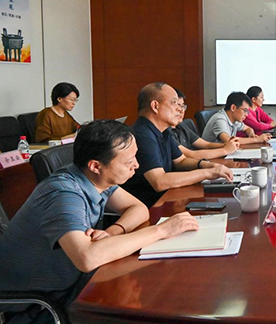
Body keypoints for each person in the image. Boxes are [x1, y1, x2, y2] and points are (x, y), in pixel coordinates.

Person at [0, 120, 200, 323]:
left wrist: (113, 231)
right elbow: (87, 258)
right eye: (128, 162)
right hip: (38, 303)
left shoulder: (97, 179)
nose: (137, 165)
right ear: (95, 165)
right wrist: (161, 231)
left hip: (72, 281)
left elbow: (138, 209)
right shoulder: (63, 193)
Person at [122, 83, 233, 208]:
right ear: (155, 106)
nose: (180, 109)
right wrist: (208, 173)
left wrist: (206, 165)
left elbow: (181, 161)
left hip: (168, 198)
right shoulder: (142, 135)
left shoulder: (164, 131)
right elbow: (160, 182)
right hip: (150, 207)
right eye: (174, 103)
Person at [171, 88, 240, 160]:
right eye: (178, 106)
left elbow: (207, 144)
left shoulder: (181, 126)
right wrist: (225, 150)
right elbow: (191, 155)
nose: (181, 110)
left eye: (183, 106)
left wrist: (226, 145)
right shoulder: (167, 132)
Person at [202, 91, 271, 144]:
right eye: (245, 110)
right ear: (233, 108)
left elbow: (248, 129)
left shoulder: (234, 119)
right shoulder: (220, 119)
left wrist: (251, 135)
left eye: (248, 111)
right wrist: (257, 139)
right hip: (212, 156)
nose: (246, 115)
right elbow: (229, 141)